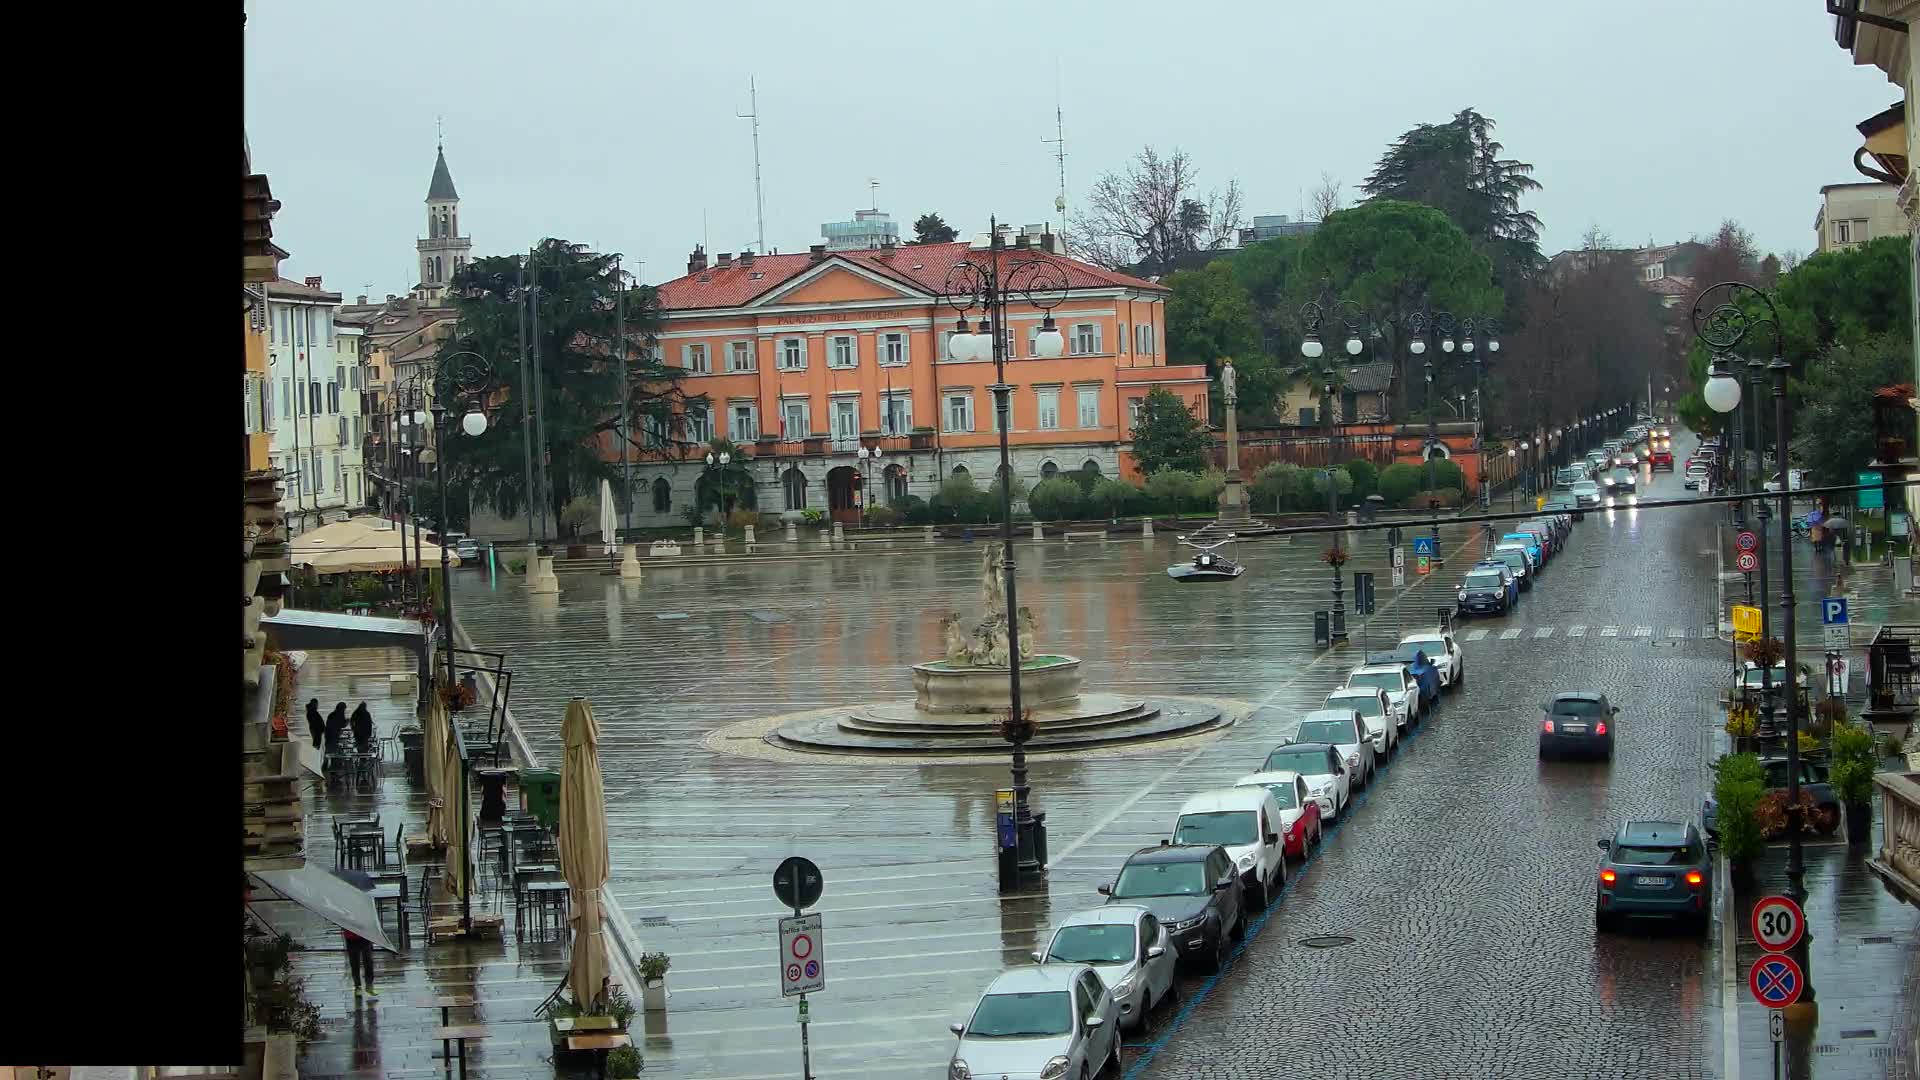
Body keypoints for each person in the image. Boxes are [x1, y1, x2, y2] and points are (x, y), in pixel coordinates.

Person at [343, 927, 377, 997]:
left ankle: (368, 985)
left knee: (367, 962)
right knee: (357, 963)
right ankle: (359, 986)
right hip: (353, 936)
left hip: (363, 934)